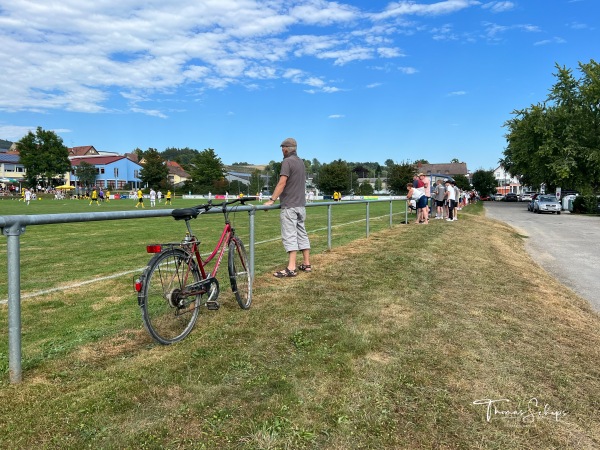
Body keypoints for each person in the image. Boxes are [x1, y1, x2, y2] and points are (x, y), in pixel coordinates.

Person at [264, 137, 311, 278]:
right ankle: (306, 264)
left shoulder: (287, 161)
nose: (281, 151)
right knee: (302, 233)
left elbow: (282, 183)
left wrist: (272, 200)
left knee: (290, 236)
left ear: (285, 149)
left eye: (282, 148)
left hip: (290, 206)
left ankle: (291, 268)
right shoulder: (301, 162)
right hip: (301, 206)